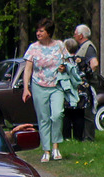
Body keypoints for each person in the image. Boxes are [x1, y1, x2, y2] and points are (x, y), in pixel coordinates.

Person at [21, 17, 72, 162]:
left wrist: (63, 67)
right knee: (43, 119)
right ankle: (46, 150)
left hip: (56, 85)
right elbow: (28, 70)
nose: (38, 33)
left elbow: (68, 63)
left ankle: (56, 147)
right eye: (37, 30)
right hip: (38, 86)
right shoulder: (33, 48)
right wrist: (26, 88)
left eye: (41, 31)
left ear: (48, 32)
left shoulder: (60, 45)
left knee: (57, 115)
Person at [64, 24, 99, 141]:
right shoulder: (82, 47)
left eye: (75, 33)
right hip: (82, 85)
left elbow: (94, 63)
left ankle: (89, 138)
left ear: (80, 35)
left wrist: (85, 76)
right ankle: (84, 137)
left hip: (86, 85)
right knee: (82, 112)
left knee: (87, 113)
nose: (74, 35)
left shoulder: (88, 47)